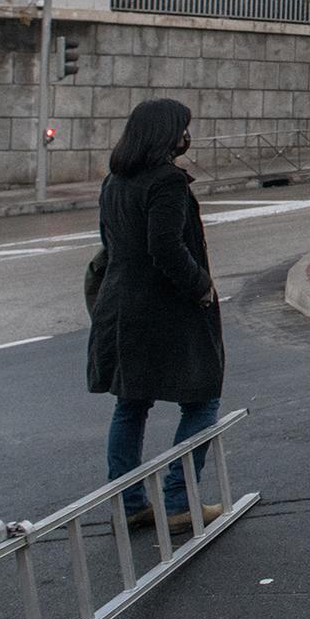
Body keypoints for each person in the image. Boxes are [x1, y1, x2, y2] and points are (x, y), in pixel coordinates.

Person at [87, 97, 225, 533]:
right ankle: (179, 501)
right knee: (202, 398)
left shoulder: (115, 181)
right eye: (183, 129)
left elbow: (110, 242)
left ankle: (129, 505)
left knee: (130, 404)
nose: (187, 137)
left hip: (118, 306)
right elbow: (165, 247)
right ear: (167, 135)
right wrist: (200, 285)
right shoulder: (166, 182)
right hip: (164, 309)